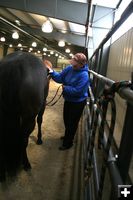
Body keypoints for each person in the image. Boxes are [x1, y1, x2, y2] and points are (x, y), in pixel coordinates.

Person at [44, 53, 90, 150]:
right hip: (68, 100)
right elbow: (60, 77)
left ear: (81, 64)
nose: (72, 64)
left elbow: (78, 91)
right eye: (73, 61)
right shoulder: (70, 68)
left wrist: (65, 88)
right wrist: (52, 72)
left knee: (72, 123)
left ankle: (68, 143)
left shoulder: (84, 75)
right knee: (66, 120)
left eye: (75, 63)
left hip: (77, 102)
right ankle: (68, 136)